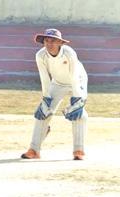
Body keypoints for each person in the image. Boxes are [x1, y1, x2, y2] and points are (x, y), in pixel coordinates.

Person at [21, 28, 88, 161]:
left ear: (60, 43)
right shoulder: (40, 55)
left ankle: (78, 150)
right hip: (57, 83)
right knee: (43, 113)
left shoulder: (69, 53)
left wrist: (77, 98)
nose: (49, 44)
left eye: (53, 41)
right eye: (46, 40)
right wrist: (46, 98)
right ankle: (34, 150)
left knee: (79, 114)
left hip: (78, 81)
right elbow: (44, 78)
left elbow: (74, 75)